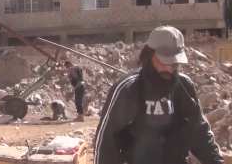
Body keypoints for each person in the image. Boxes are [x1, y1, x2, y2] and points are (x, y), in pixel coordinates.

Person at [93, 26, 223, 164]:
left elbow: (200, 132)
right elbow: (106, 141)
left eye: (174, 63)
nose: (169, 68)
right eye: (163, 61)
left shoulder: (184, 87)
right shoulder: (128, 89)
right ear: (148, 56)